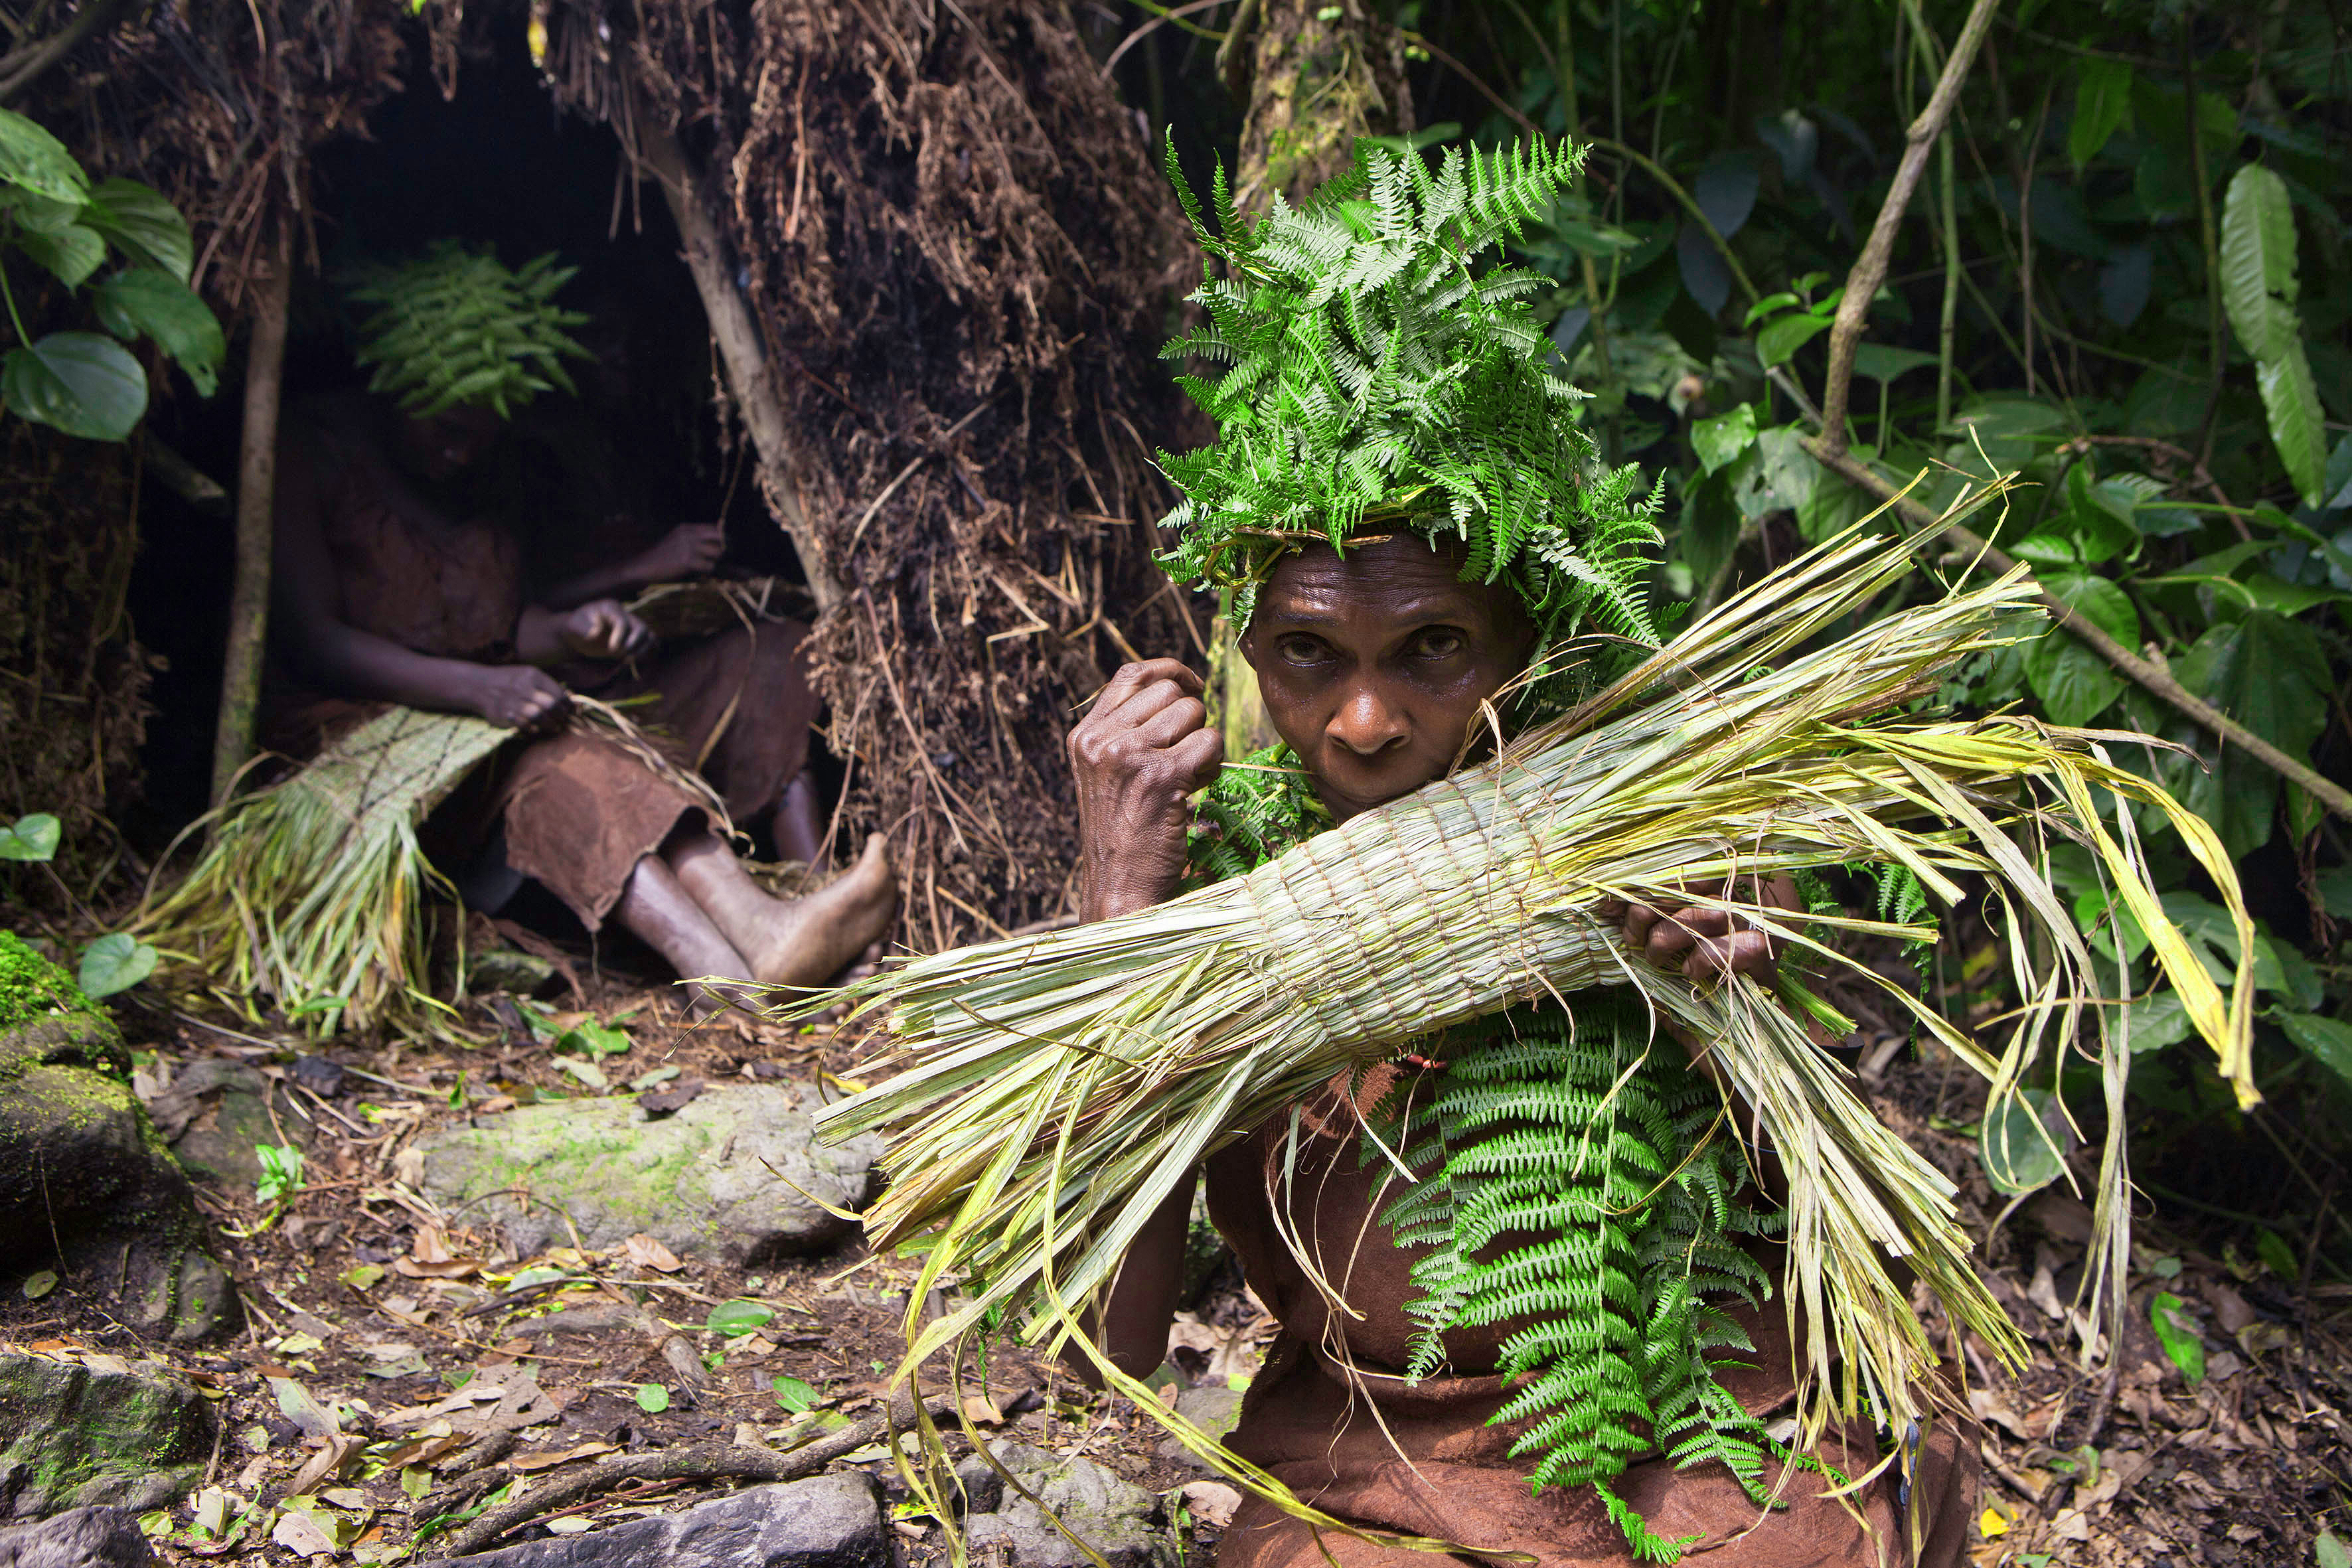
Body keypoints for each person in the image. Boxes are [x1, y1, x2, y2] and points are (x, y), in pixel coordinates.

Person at [1056, 143, 1978, 1566]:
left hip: (1704, 1452)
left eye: (1432, 648)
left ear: (1524, 642)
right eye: (1308, 654)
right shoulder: (1202, 899)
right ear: (1247, 650)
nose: (1364, 721)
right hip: (1375, 1479)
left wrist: (1731, 976)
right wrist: (1119, 922)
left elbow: (1819, 1210)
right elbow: (1101, 1349)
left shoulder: (1650, 822)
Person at [266, 242, 895, 1013]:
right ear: (394, 382)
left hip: (507, 704)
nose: (463, 452)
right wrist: (481, 690)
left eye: (483, 433)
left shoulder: (484, 473)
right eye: (446, 428)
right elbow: (315, 640)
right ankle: (732, 965)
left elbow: (502, 625)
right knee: (570, 757)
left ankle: (794, 915)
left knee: (745, 668)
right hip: (381, 745)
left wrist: (572, 633)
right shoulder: (312, 450)